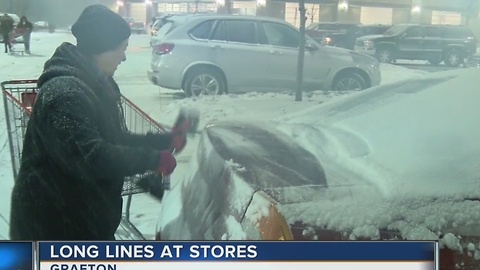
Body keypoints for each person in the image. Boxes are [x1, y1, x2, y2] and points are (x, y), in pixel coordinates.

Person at [9, 4, 189, 240]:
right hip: (54, 226)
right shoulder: (65, 94)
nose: (124, 57)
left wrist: (162, 141)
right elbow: (90, 156)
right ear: (102, 47)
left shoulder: (96, 85)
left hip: (84, 219)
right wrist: (151, 159)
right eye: (121, 48)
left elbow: (111, 136)